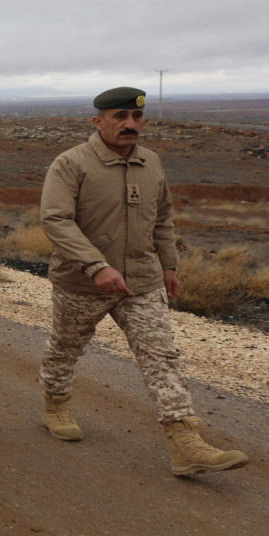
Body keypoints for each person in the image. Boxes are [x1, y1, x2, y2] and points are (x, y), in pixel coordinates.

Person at [38, 86, 248, 476]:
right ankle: (55, 402)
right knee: (65, 348)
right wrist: (96, 266)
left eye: (137, 116)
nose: (130, 123)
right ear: (98, 121)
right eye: (120, 116)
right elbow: (55, 220)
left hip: (142, 280)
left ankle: (183, 441)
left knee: (161, 355)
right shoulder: (71, 163)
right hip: (82, 283)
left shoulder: (151, 161)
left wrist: (169, 265)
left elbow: (162, 217)